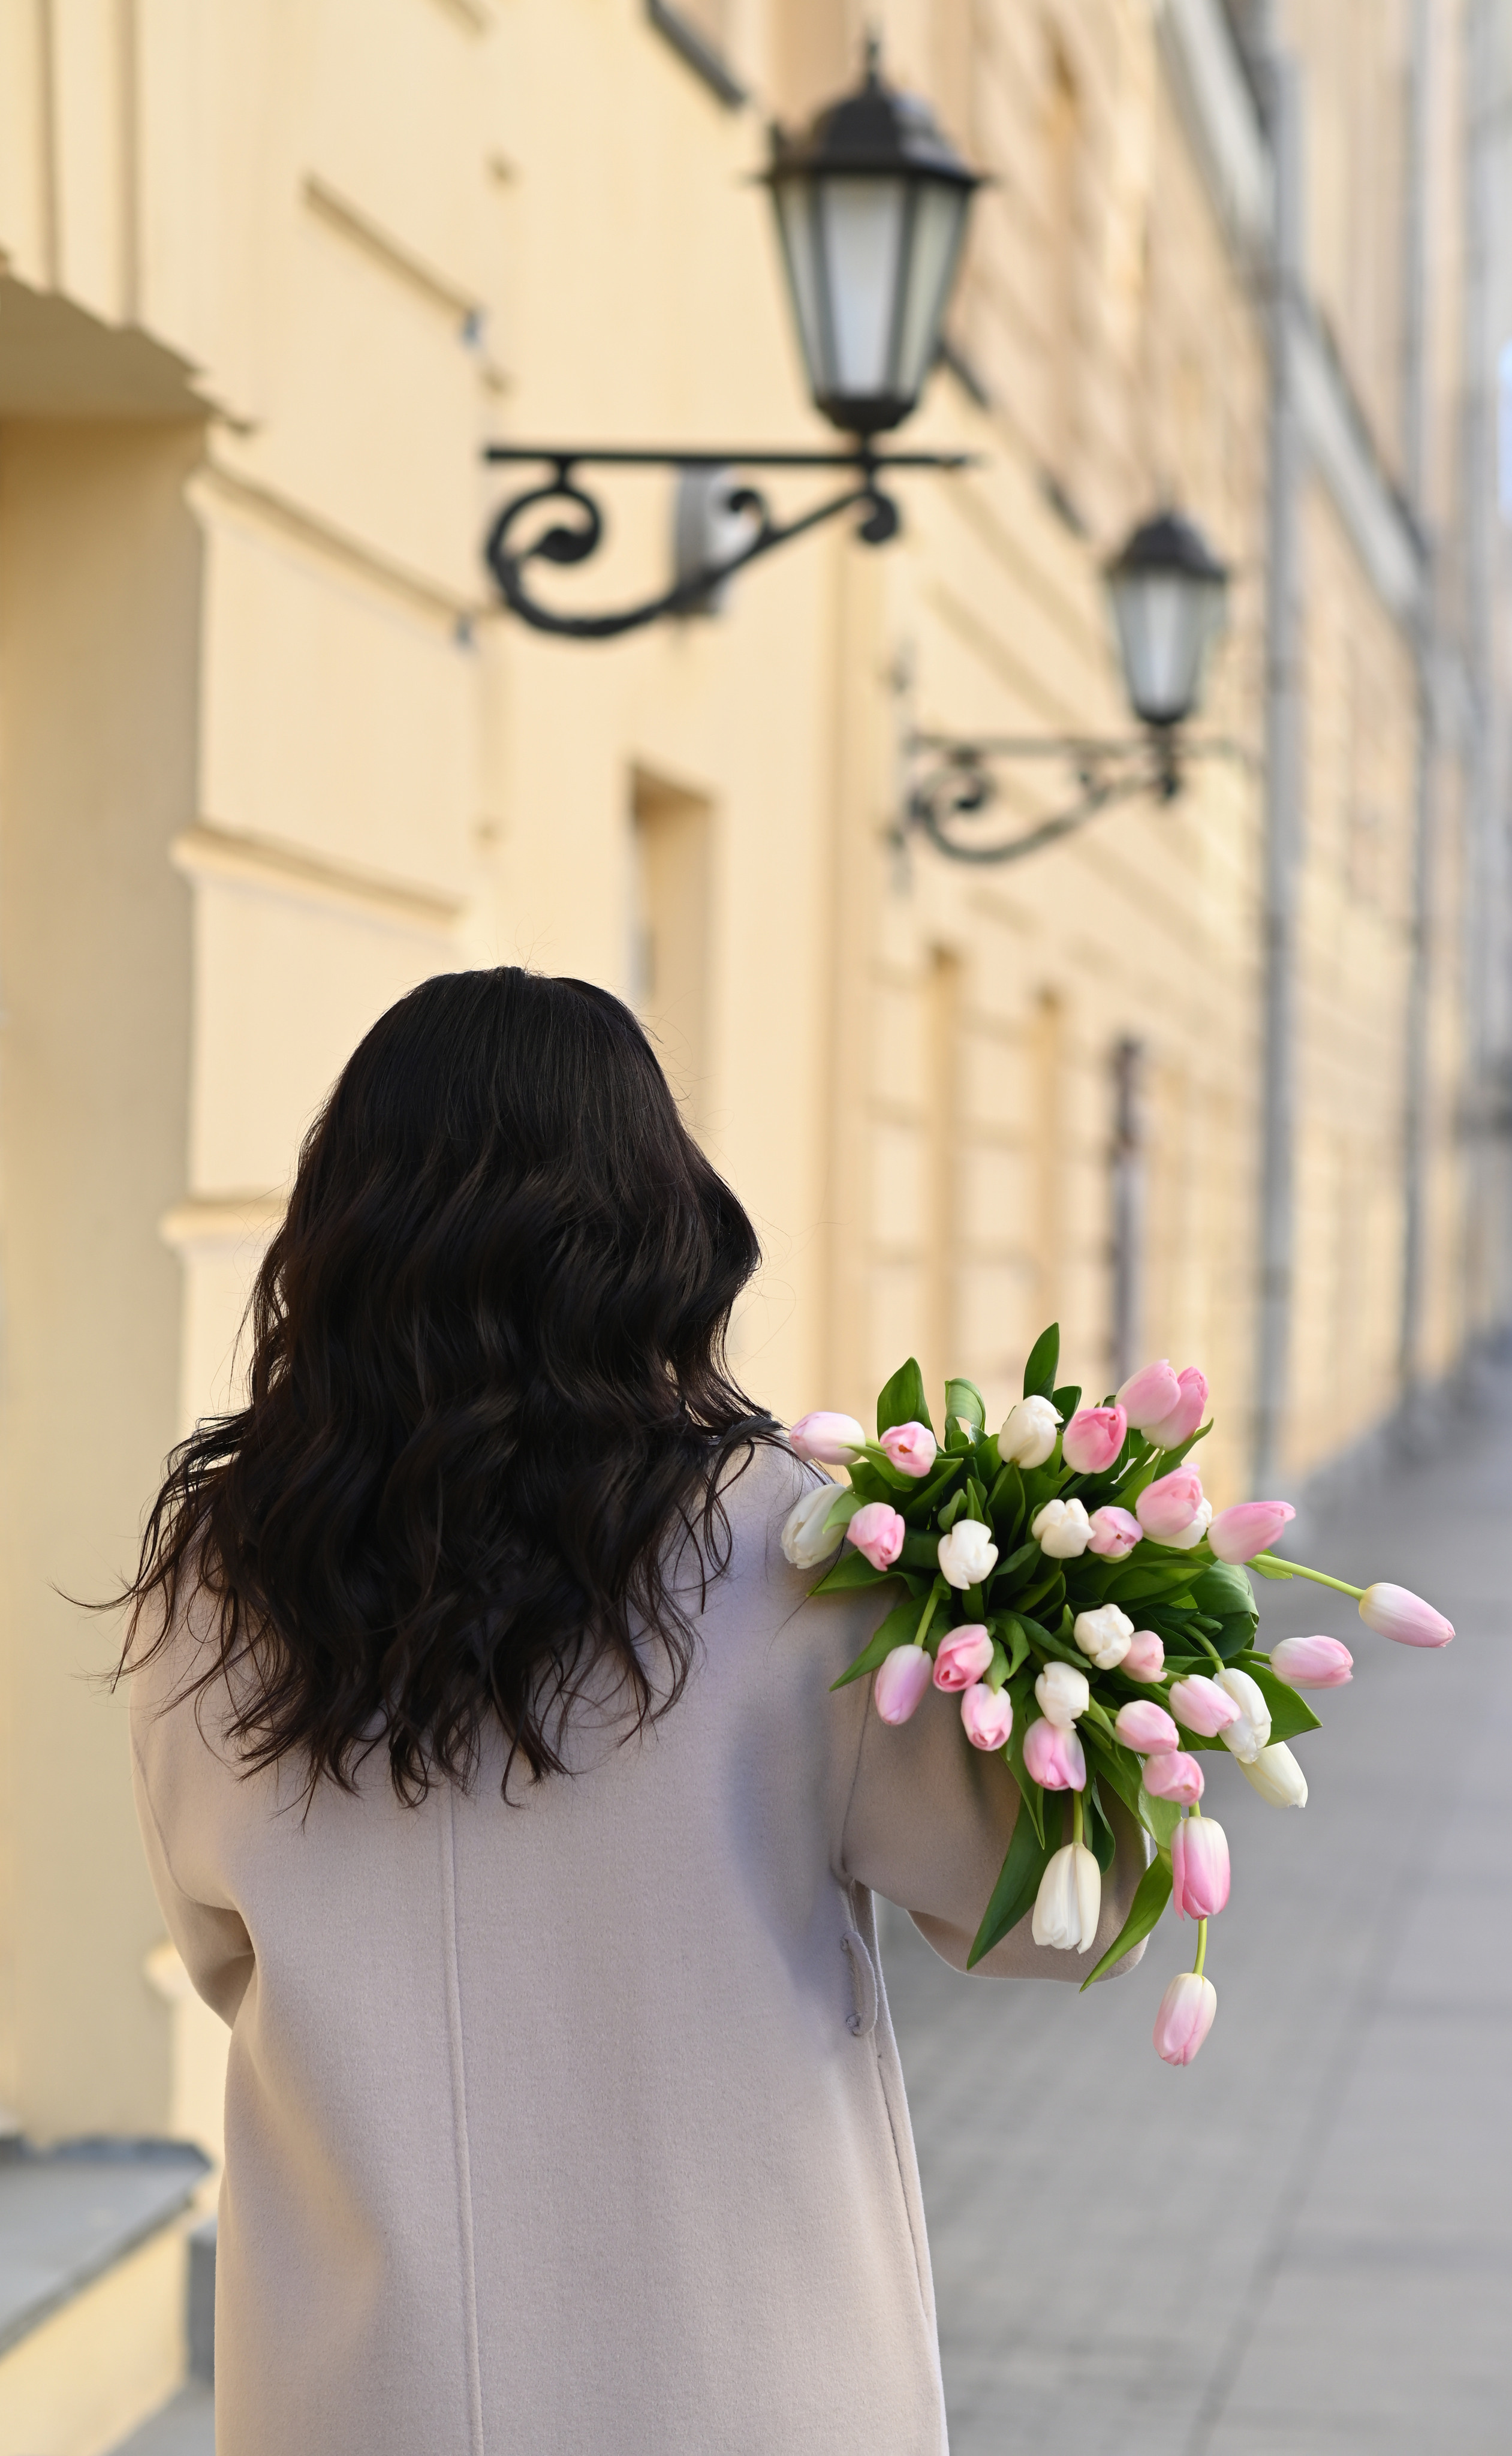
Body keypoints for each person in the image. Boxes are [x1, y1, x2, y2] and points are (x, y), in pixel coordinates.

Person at [123, 967, 1141, 2456]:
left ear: (340, 1227)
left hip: (368, 2386)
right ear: (659, 1225)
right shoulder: (800, 1551)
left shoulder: (217, 1577)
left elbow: (219, 1944)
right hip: (732, 2375)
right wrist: (1093, 1655)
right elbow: (1056, 1914)